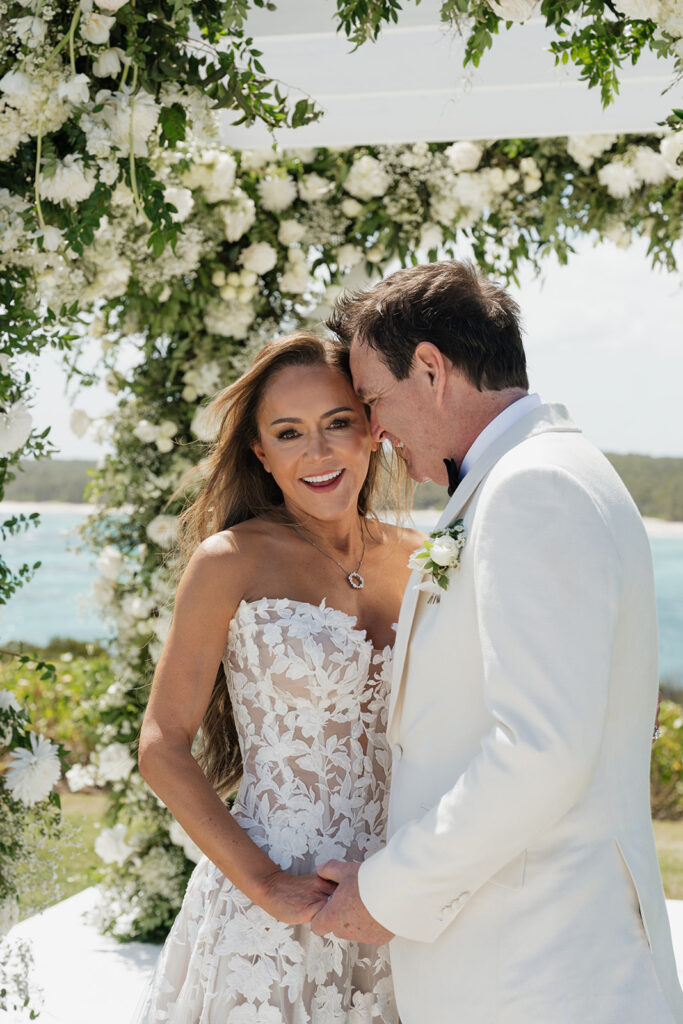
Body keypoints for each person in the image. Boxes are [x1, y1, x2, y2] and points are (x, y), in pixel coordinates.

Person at [311, 260, 683, 1023]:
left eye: (375, 400)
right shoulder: (553, 470)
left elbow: (540, 749)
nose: (374, 431)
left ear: (430, 368)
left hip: (538, 969)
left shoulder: (531, 489)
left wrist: (388, 894)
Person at [134, 331, 420, 1022]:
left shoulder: (423, 558)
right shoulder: (229, 560)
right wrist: (265, 885)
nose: (317, 453)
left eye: (336, 424)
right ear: (261, 453)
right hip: (278, 904)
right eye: (289, 434)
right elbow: (162, 744)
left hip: (399, 897)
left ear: (372, 431)